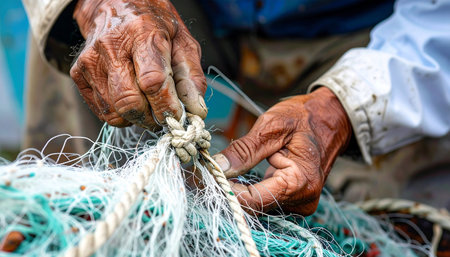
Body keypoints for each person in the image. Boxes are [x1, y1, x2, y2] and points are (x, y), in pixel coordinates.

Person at [21, 0, 450, 215]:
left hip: (370, 29)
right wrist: (96, 5)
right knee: (93, 51)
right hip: (180, 10)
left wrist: (345, 105)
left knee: (396, 222)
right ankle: (67, 211)